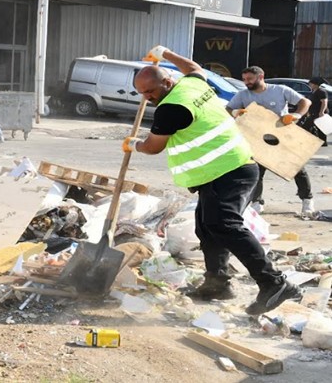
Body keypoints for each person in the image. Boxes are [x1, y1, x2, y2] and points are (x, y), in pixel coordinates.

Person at [123, 46, 301, 315]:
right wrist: (166, 54)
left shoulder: (172, 108)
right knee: (207, 227)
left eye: (151, 92)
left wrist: (133, 145)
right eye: (143, 94)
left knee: (225, 224)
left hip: (229, 171)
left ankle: (274, 283)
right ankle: (217, 283)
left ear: (167, 82)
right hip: (222, 171)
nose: (148, 98)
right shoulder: (192, 84)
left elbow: (153, 146)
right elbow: (193, 67)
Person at [225, 66, 317, 218]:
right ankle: (257, 202)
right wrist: (234, 112)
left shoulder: (280, 90)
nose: (246, 82)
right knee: (257, 172)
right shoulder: (243, 94)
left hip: (282, 136)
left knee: (298, 169)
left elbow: (305, 102)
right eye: (244, 79)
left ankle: (307, 200)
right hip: (257, 138)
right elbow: (228, 108)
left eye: (250, 79)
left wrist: (296, 115)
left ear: (261, 76)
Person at [298, 76, 329, 147]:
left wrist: (322, 112)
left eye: (310, 83)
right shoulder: (314, 91)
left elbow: (324, 102)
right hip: (313, 112)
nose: (309, 84)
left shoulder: (321, 91)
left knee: (313, 126)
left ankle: (322, 142)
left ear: (315, 84)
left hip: (318, 113)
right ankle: (321, 141)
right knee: (314, 126)